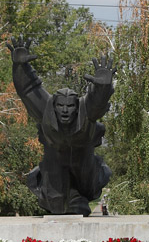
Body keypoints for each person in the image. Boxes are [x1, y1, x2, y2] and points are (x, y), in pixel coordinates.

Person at [9, 37, 113, 216]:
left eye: (70, 106)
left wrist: (103, 87)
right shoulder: (46, 111)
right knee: (57, 204)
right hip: (54, 175)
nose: (65, 110)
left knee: (77, 204)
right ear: (54, 106)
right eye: (60, 106)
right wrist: (20, 67)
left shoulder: (85, 113)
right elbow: (28, 90)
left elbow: (96, 103)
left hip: (85, 173)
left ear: (76, 107)